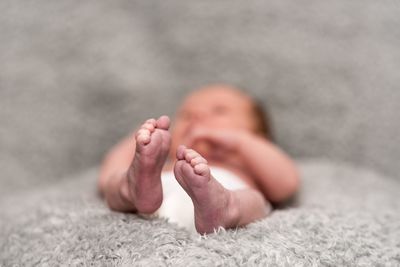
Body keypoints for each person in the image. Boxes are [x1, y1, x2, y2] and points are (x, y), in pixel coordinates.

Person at [98, 84, 300, 234]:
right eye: (186, 115)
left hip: (228, 197)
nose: (198, 116)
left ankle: (226, 207)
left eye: (219, 111)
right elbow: (105, 177)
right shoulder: (164, 166)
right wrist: (139, 141)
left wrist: (240, 142)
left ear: (259, 136)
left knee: (255, 200)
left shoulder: (242, 163)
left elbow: (286, 184)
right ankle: (131, 189)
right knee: (114, 183)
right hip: (156, 195)